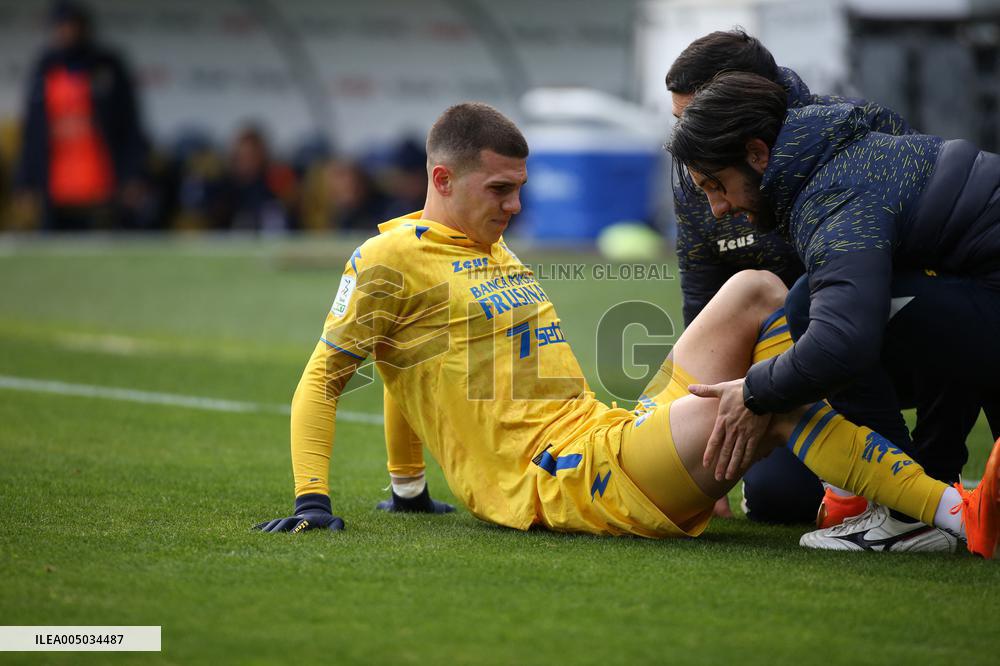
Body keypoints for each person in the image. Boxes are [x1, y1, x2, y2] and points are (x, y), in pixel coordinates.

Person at [254, 102, 1000, 558]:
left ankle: (863, 491)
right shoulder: (388, 256)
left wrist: (409, 489)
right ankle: (950, 511)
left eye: (521, 188)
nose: (516, 206)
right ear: (441, 180)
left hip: (604, 433)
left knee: (757, 289)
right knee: (766, 408)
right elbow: (330, 378)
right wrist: (313, 500)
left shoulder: (488, 248)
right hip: (567, 479)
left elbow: (408, 365)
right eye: (499, 190)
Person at [665, 30, 985, 535]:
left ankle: (909, 504)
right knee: (778, 499)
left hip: (849, 354)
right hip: (804, 363)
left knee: (818, 306)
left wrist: (929, 471)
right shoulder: (704, 173)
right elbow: (703, 307)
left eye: (697, 119)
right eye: (680, 122)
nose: (714, 203)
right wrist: (702, 435)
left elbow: (917, 307)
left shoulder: (850, 148)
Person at [14, 1, 148, 231]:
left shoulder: (107, 65)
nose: (66, 32)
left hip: (103, 183)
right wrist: (26, 182)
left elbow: (129, 126)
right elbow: (32, 133)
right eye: (60, 27)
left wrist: (133, 175)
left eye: (71, 26)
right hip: (55, 186)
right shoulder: (45, 67)